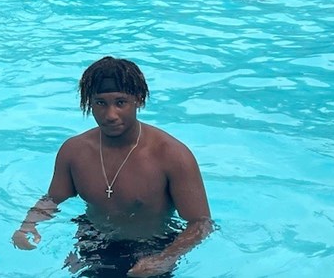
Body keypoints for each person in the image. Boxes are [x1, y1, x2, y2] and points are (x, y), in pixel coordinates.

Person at [12, 57, 212, 278]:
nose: (110, 115)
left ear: (138, 100)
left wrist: (164, 259)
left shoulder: (172, 156)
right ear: (89, 103)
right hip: (93, 241)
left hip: (151, 248)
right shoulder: (74, 152)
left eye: (120, 102)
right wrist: (28, 225)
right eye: (100, 103)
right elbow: (53, 199)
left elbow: (200, 224)